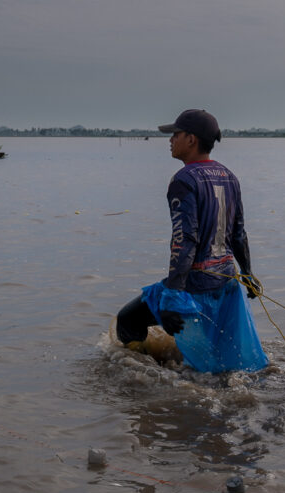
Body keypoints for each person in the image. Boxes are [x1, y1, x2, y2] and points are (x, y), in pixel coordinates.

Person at [114, 109, 269, 372]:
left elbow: (184, 240)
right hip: (227, 281)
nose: (170, 139)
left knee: (127, 321)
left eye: (175, 134)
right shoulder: (229, 176)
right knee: (220, 349)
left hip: (196, 284)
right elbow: (238, 234)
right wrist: (248, 273)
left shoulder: (183, 180)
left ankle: (142, 377)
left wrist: (173, 295)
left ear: (191, 139)